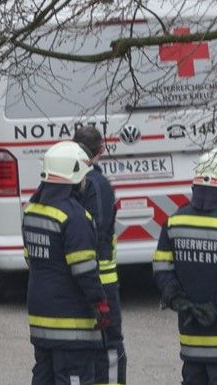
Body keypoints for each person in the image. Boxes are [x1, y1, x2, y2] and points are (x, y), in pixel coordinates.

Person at [152, 148, 217, 385]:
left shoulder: (175, 221)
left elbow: (161, 266)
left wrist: (177, 300)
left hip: (192, 340)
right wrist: (216, 308)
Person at [23, 141, 111, 385]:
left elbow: (30, 258)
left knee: (44, 378)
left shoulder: (32, 210)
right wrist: (100, 302)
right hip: (71, 323)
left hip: (40, 317)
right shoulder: (75, 217)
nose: (85, 182)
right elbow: (84, 269)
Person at [73, 126, 126, 385]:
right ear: (101, 150)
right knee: (110, 345)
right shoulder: (99, 184)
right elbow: (100, 230)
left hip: (77, 278)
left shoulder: (68, 181)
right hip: (103, 279)